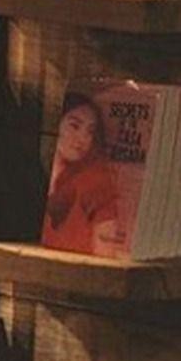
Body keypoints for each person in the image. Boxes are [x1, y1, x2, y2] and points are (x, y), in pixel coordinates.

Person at [42, 92, 119, 254]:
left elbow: (105, 251)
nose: (82, 138)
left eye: (90, 131)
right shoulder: (39, 175)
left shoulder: (96, 184)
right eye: (74, 126)